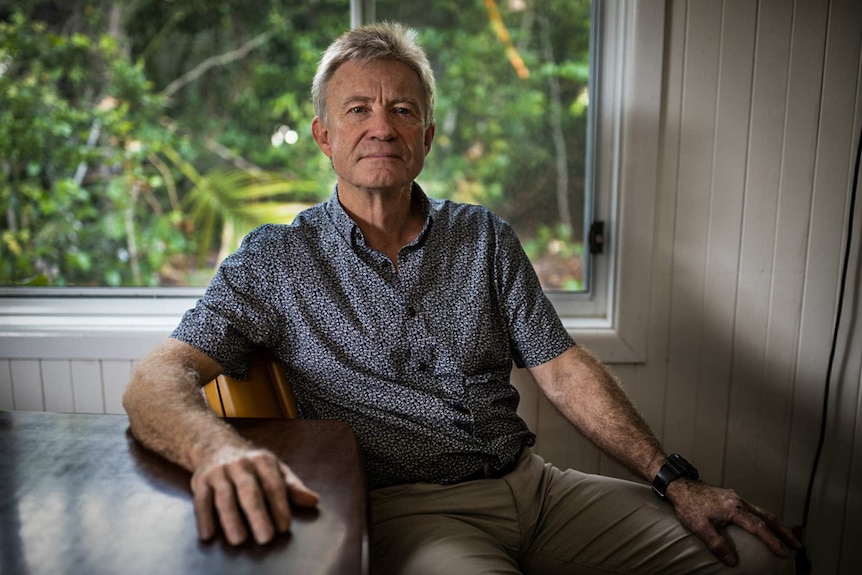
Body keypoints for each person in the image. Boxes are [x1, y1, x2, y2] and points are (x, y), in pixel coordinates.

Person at [123, 21, 800, 574]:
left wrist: (674, 478)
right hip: (412, 513)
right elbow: (156, 379)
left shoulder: (484, 237)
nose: (381, 126)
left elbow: (561, 369)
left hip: (539, 487)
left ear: (427, 137)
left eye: (402, 110)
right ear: (324, 136)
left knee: (756, 559)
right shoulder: (275, 259)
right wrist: (217, 451)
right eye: (357, 109)